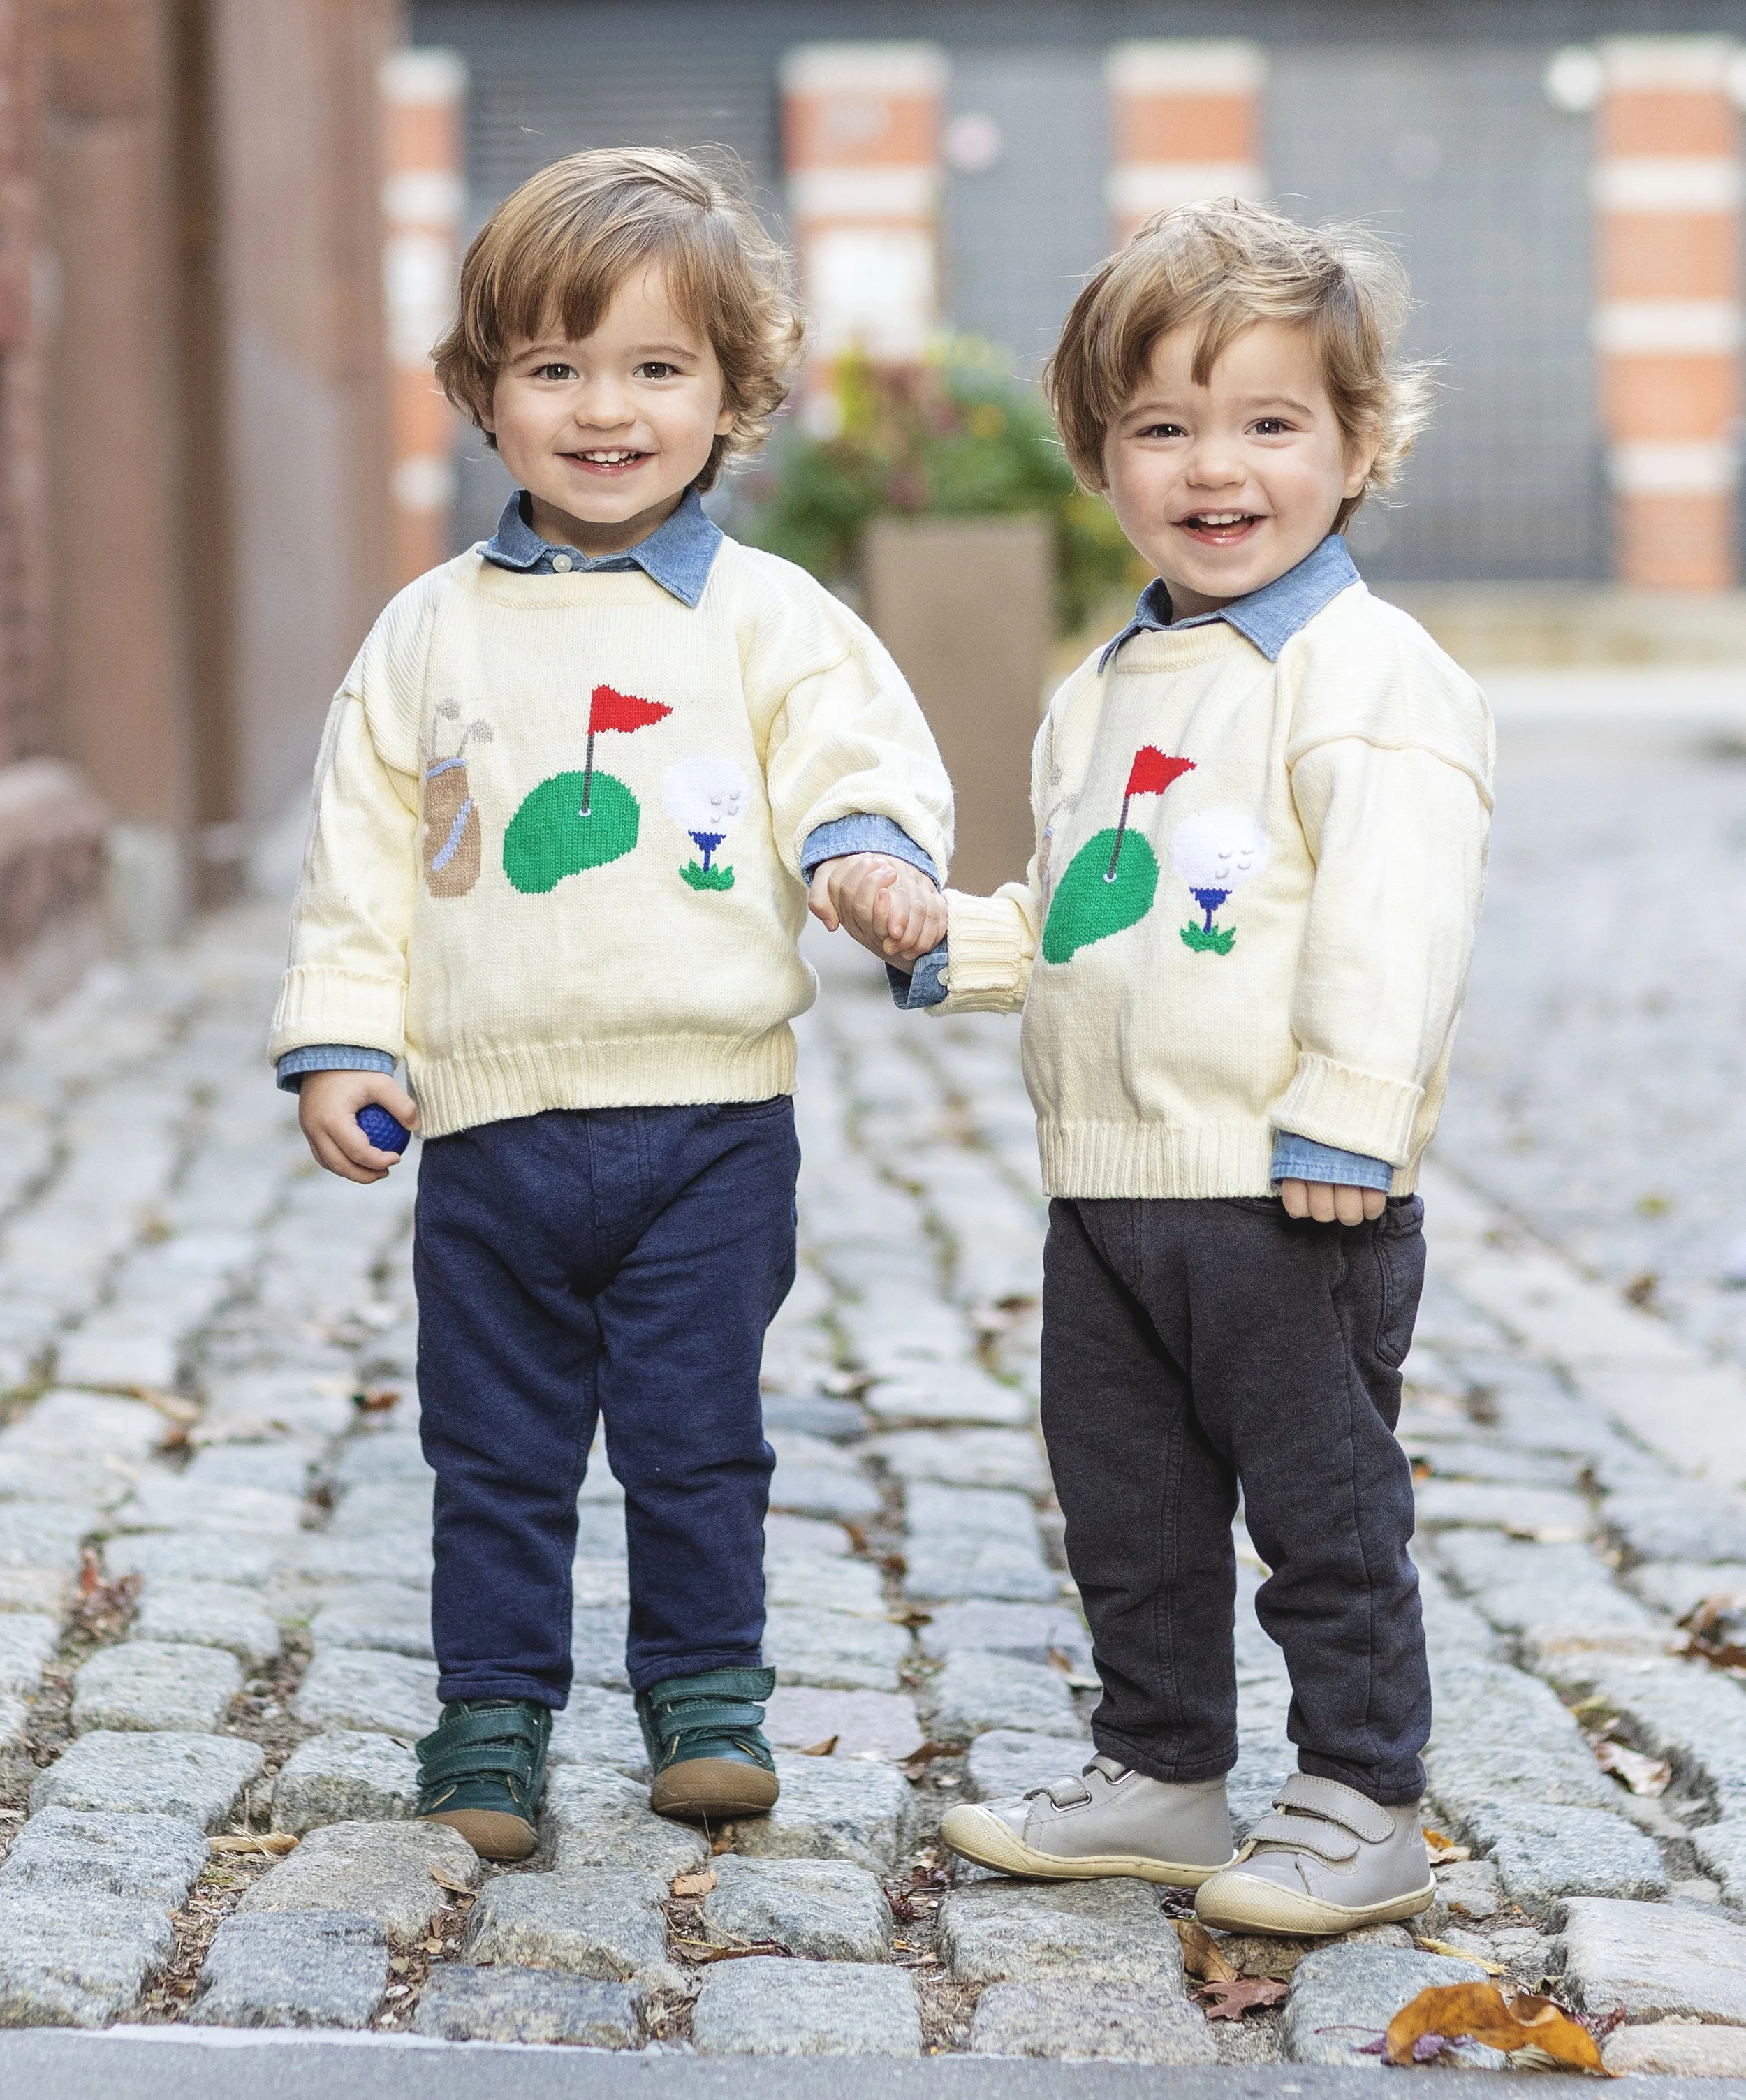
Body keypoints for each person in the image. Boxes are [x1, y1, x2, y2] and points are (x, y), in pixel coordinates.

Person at [272, 148, 948, 1860]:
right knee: (490, 1444)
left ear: (732, 394)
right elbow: (364, 849)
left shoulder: (770, 618)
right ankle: (490, 1712)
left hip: (707, 1121)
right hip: (489, 1125)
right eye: (554, 366)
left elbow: (850, 765)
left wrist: (868, 870)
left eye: (656, 368)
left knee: (694, 1432)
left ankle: (706, 1691)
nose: (603, 409)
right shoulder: (426, 632)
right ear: (484, 391)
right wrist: (347, 1031)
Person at [897, 199, 1493, 1937]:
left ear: (1358, 443)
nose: (1211, 466)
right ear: (1097, 455)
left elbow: (1397, 919)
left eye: (1266, 421)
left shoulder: (1366, 678)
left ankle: (1362, 1790)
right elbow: (1091, 904)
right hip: (1110, 1186)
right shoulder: (1103, 685)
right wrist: (957, 941)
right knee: (1128, 1506)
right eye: (1159, 424)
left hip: (1284, 1188)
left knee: (1322, 1510)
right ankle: (1160, 1763)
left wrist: (1349, 1117)